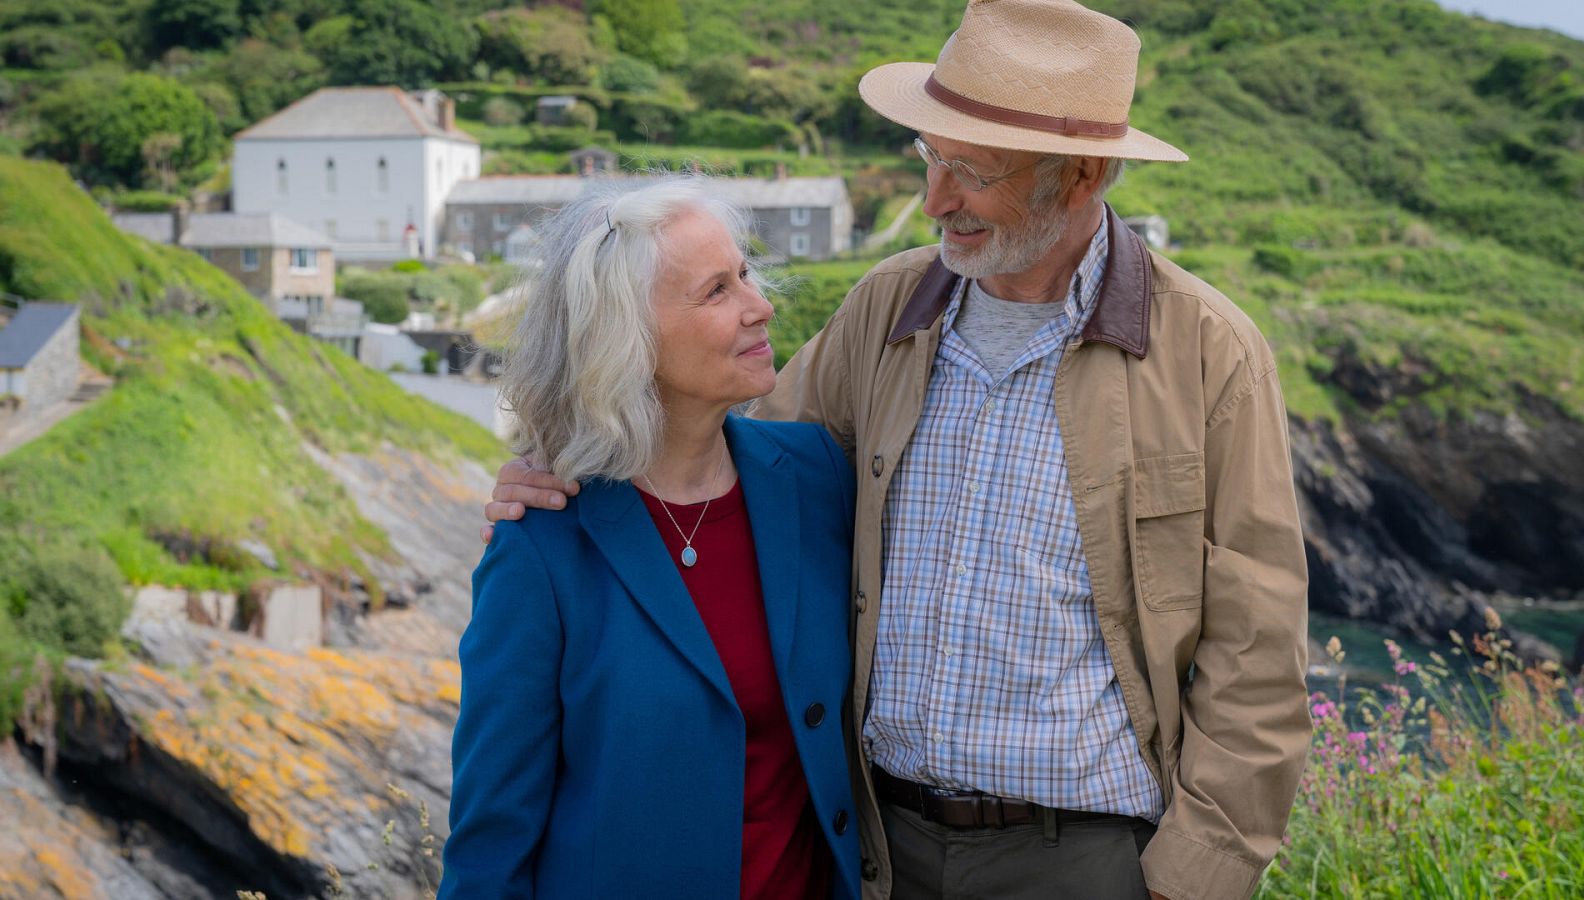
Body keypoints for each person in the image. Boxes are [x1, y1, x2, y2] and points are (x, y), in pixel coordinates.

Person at [483, 1, 1312, 898]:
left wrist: (1188, 883)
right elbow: (717, 463)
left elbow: (1258, 657)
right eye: (929, 156)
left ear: (1080, 176)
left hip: (1083, 863)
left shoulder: (1209, 353)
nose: (934, 200)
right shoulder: (884, 312)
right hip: (876, 851)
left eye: (970, 171)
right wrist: (561, 471)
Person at [441, 177, 861, 900]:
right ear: (625, 337)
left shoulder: (817, 479)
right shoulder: (541, 546)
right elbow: (490, 846)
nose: (760, 306)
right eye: (716, 291)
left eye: (747, 274)